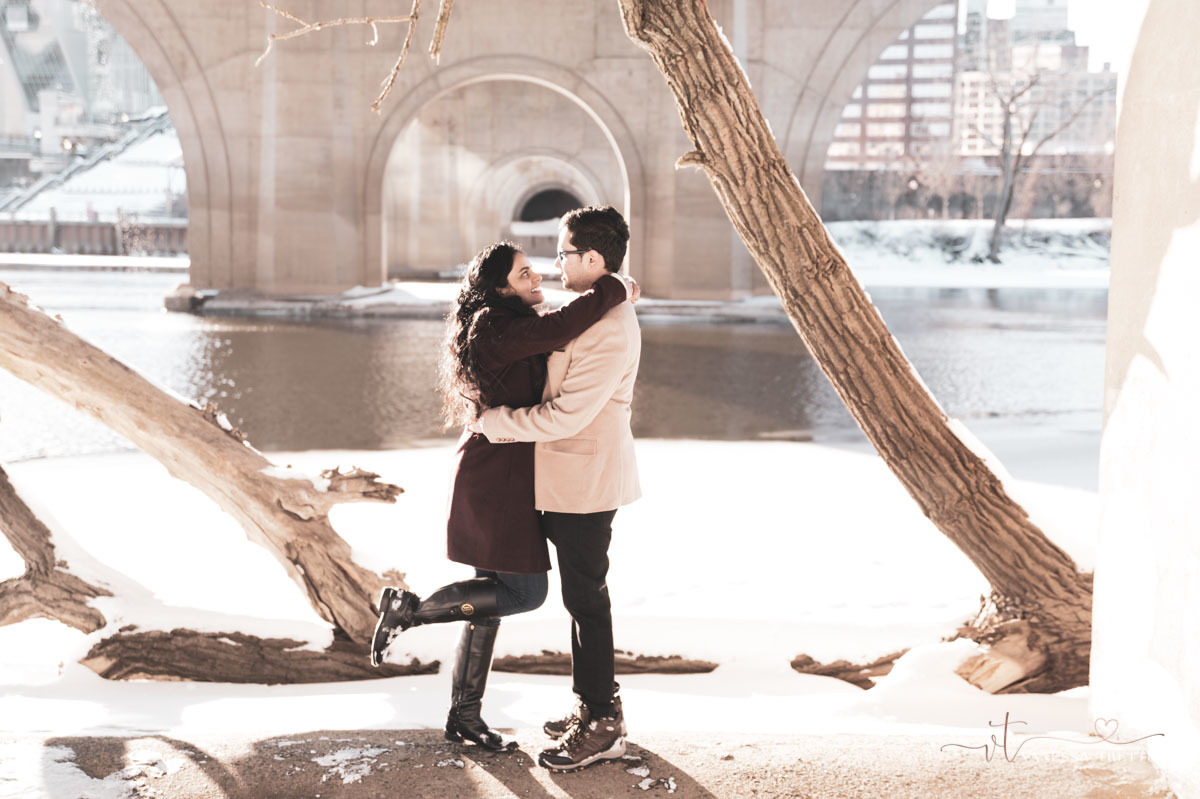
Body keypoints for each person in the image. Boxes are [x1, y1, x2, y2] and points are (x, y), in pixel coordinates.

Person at [369, 240, 635, 753]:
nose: (538, 278)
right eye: (524, 273)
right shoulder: (496, 324)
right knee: (524, 593)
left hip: (505, 466)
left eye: (536, 269)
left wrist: (609, 292)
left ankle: (464, 717)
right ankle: (412, 610)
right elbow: (557, 329)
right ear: (498, 287)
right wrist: (614, 286)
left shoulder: (505, 320)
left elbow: (558, 328)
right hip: (498, 475)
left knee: (485, 601)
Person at [472, 205, 641, 772]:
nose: (556, 262)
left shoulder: (612, 330)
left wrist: (495, 424)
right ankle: (590, 707)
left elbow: (566, 416)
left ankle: (602, 723)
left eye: (564, 253)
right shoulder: (592, 308)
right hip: (560, 477)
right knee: (574, 599)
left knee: (586, 601)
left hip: (585, 480)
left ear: (592, 259)